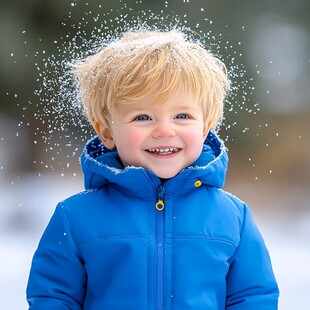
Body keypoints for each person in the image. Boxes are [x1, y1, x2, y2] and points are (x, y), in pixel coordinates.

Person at [26, 28, 279, 309]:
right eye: (143, 116)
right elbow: (53, 297)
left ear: (206, 126)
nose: (163, 130)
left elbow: (254, 296)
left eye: (182, 115)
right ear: (107, 133)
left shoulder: (233, 217)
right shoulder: (75, 217)